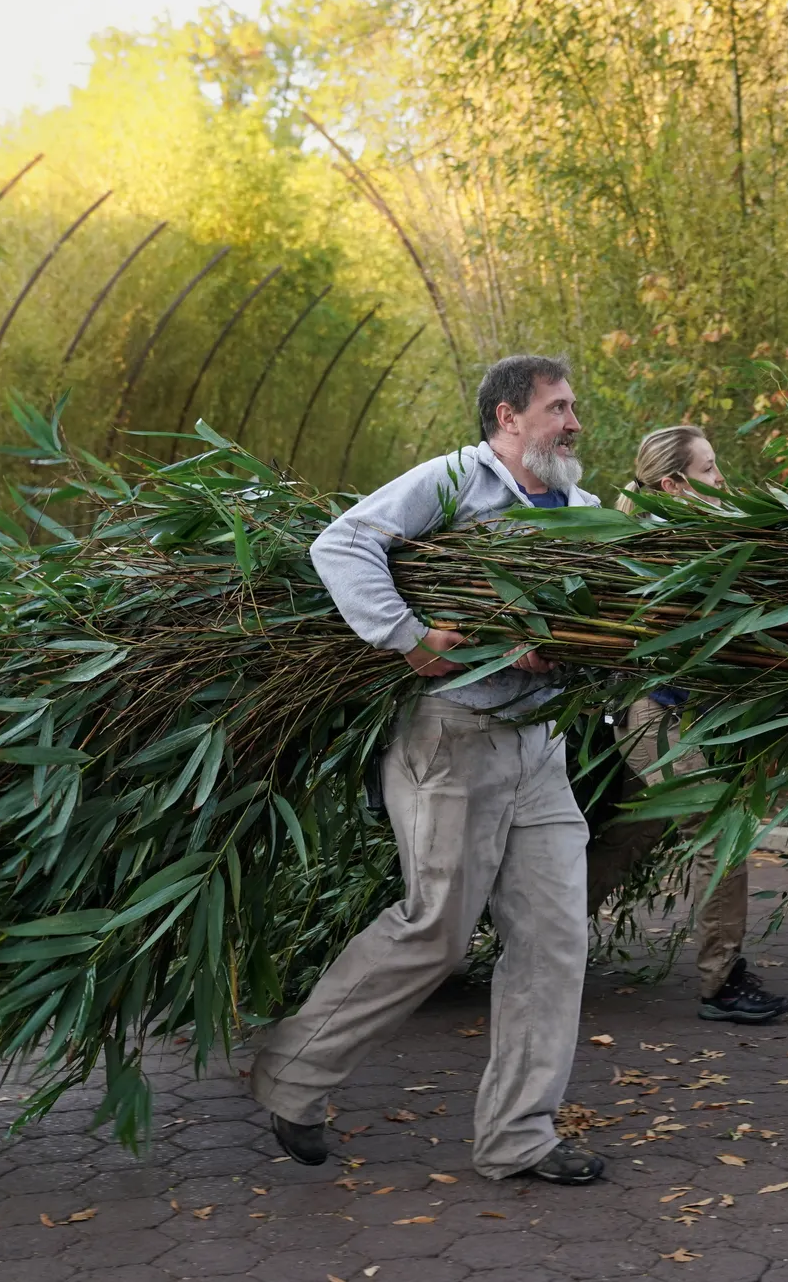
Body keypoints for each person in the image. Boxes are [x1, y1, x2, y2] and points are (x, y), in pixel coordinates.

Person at [248, 354, 606, 1186]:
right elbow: (343, 543)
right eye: (558, 407)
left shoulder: (585, 512)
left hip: (540, 744)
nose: (574, 422)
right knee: (436, 930)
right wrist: (407, 637)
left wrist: (570, 652)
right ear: (508, 417)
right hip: (455, 738)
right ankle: (294, 1073)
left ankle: (519, 1136)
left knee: (555, 942)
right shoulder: (454, 483)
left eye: (571, 407)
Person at [585, 425, 788, 1025]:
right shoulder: (660, 548)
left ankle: (542, 941)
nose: (721, 478)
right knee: (719, 826)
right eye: (708, 469)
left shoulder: (684, 539)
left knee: (632, 836)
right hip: (650, 713)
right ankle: (720, 982)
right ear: (674, 485)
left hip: (655, 712)